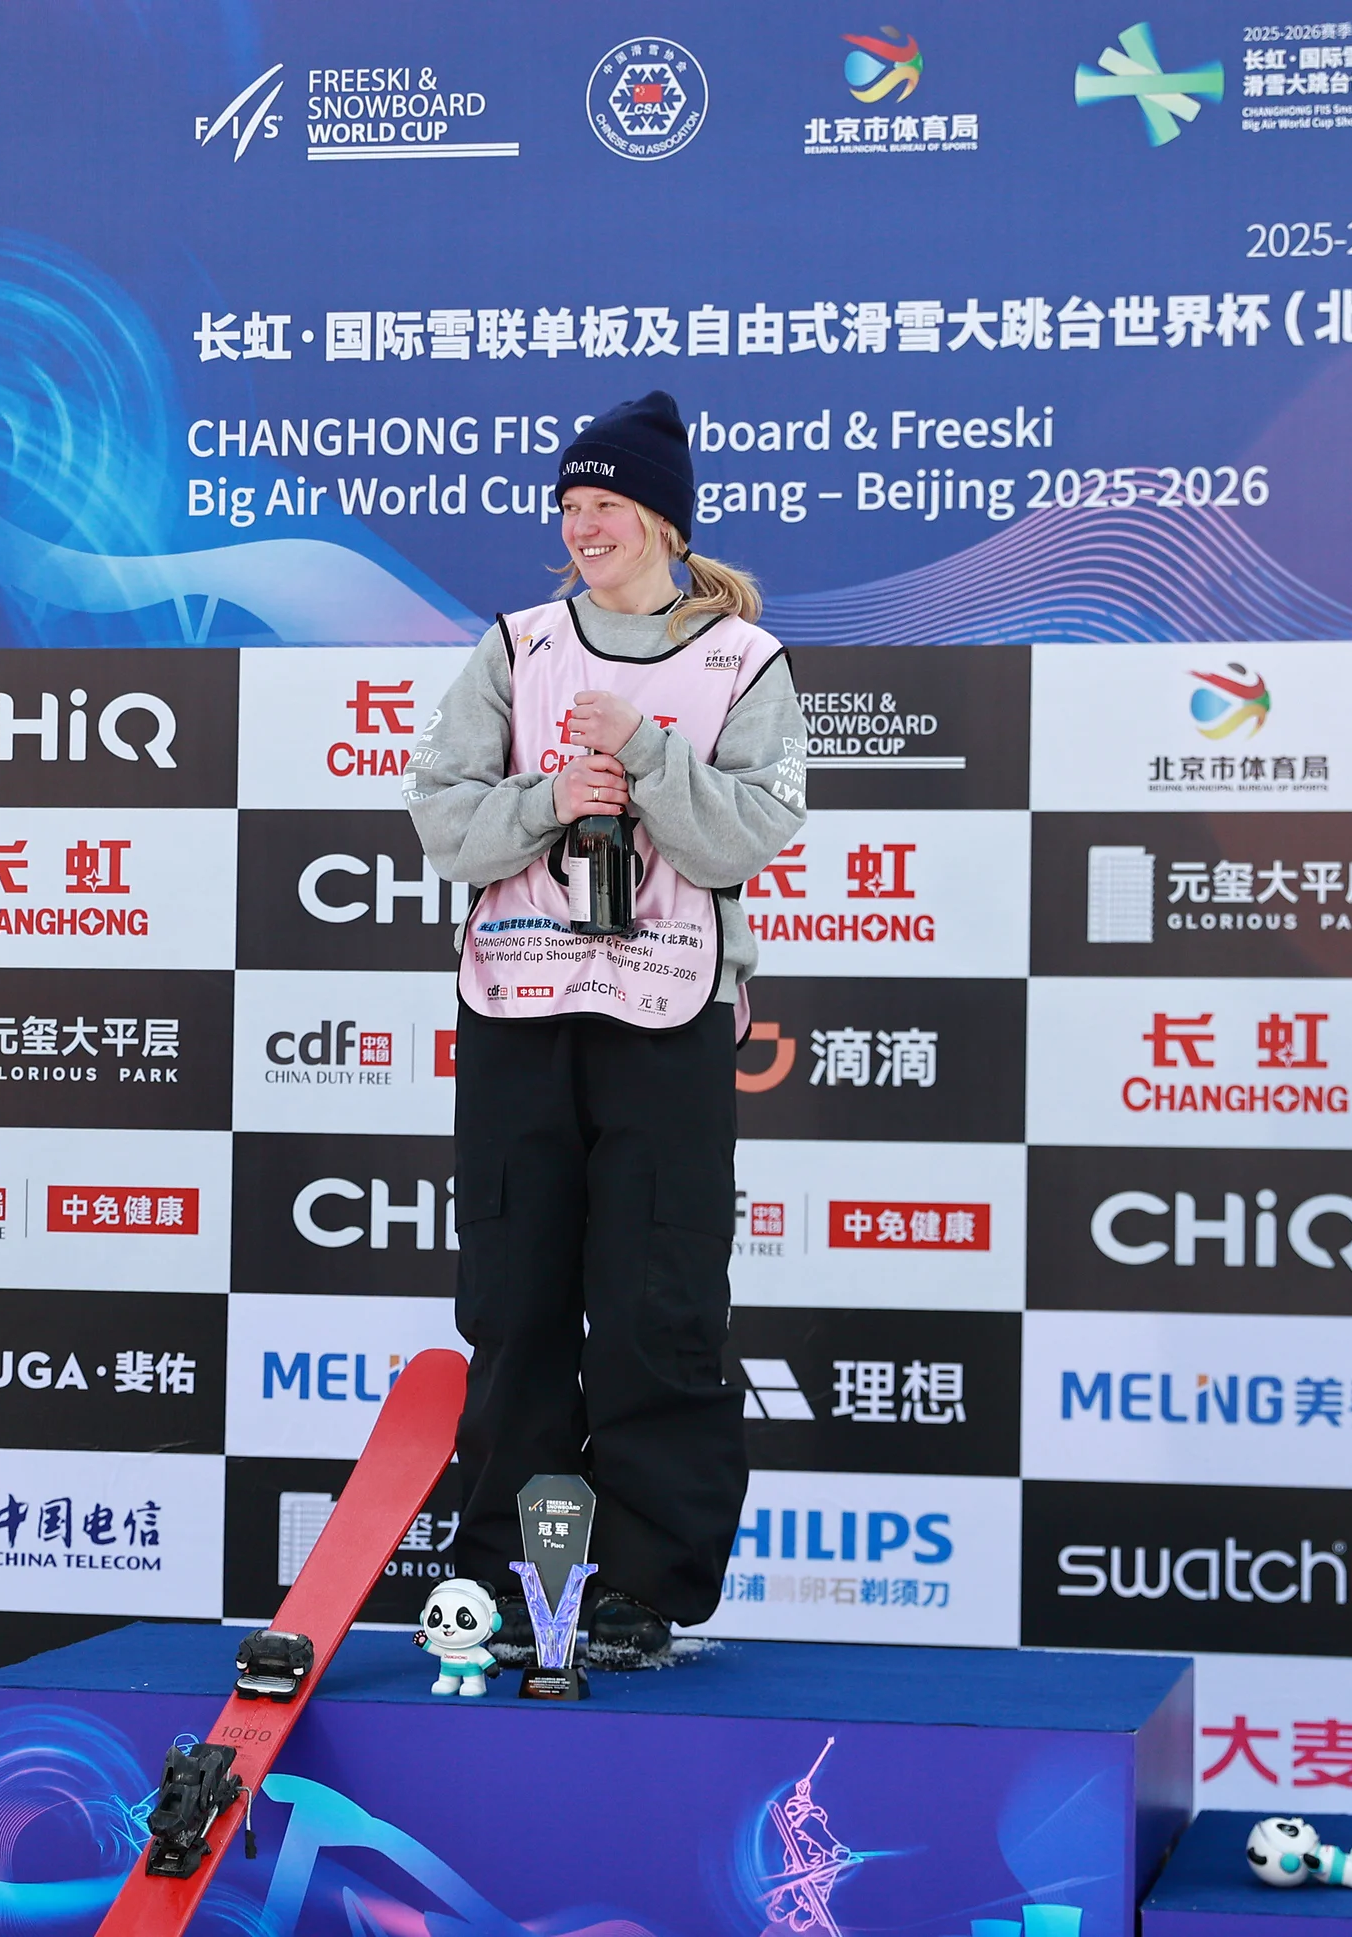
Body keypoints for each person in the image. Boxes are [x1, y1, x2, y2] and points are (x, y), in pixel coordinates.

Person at [405, 391, 805, 1663]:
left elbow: (748, 832)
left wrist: (642, 755)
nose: (584, 528)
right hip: (521, 1009)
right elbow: (442, 815)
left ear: (663, 518)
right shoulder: (518, 646)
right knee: (516, 1299)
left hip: (667, 1017)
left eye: (607, 506)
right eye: (570, 508)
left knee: (659, 1301)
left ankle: (641, 1579)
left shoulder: (743, 660)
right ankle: (513, 1571)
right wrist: (546, 799)